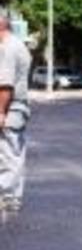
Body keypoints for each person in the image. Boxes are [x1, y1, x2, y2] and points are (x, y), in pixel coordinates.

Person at [0, 15, 32, 212]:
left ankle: (8, 196)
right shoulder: (18, 45)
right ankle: (11, 196)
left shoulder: (8, 49)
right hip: (16, 109)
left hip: (10, 109)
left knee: (8, 153)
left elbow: (5, 85)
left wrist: (0, 111)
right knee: (12, 153)